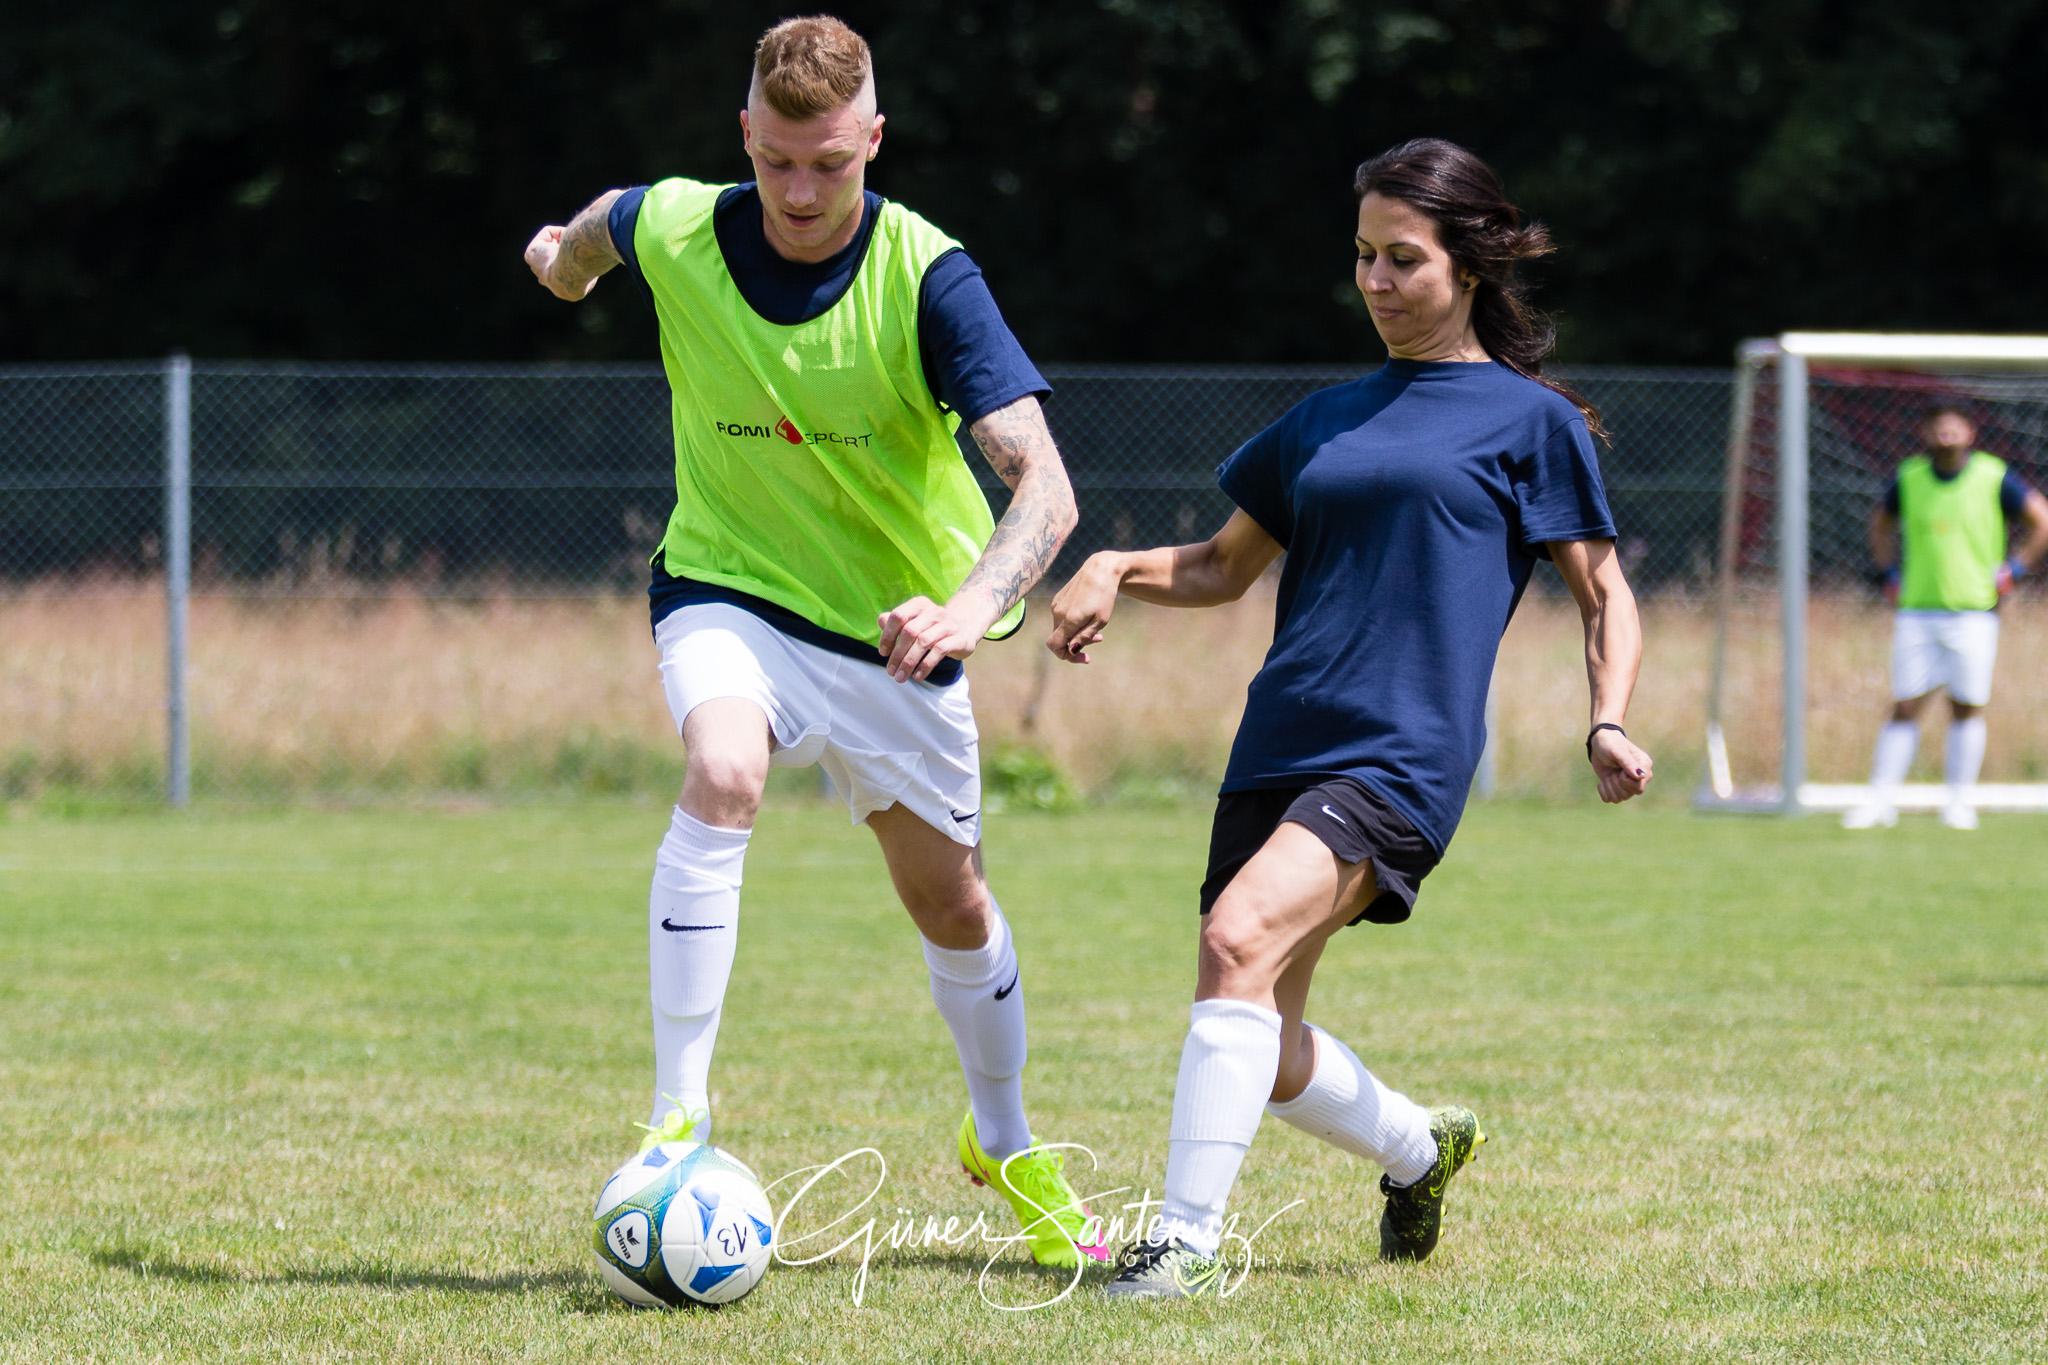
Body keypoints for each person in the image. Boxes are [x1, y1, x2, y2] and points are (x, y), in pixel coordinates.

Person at [522, 16, 1108, 1269]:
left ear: (873, 142)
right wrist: (558, 266)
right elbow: (591, 237)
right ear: (746, 135)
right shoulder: (675, 224)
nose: (799, 191)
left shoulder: (927, 276)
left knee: (950, 906)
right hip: (727, 588)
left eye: (829, 164)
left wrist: (961, 607)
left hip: (898, 634)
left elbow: (1046, 490)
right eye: (779, 160)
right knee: (724, 773)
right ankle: (677, 1121)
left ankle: (1001, 1140)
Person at [1047, 138, 1656, 1298]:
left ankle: (1178, 1247)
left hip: (1401, 754)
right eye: (1363, 256)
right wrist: (1116, 565)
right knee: (1259, 1035)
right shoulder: (1323, 418)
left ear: (1467, 267)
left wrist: (1605, 721)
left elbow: (1603, 594)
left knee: (1233, 941)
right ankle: (1421, 1149)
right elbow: (1223, 568)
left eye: (1403, 259)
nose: (1375, 280)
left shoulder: (1530, 424)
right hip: (1278, 739)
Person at [1842, 406, 2048, 830]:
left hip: (1974, 609)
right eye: (1940, 429)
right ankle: (1881, 801)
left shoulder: (1993, 476)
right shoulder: (1910, 477)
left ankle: (1959, 802)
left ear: (1969, 433)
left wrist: (2017, 568)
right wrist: (1888, 572)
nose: (1948, 435)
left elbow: (2040, 519)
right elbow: (1880, 525)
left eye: (1955, 428)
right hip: (1917, 608)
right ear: (1927, 433)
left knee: (1967, 704)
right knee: (1906, 702)